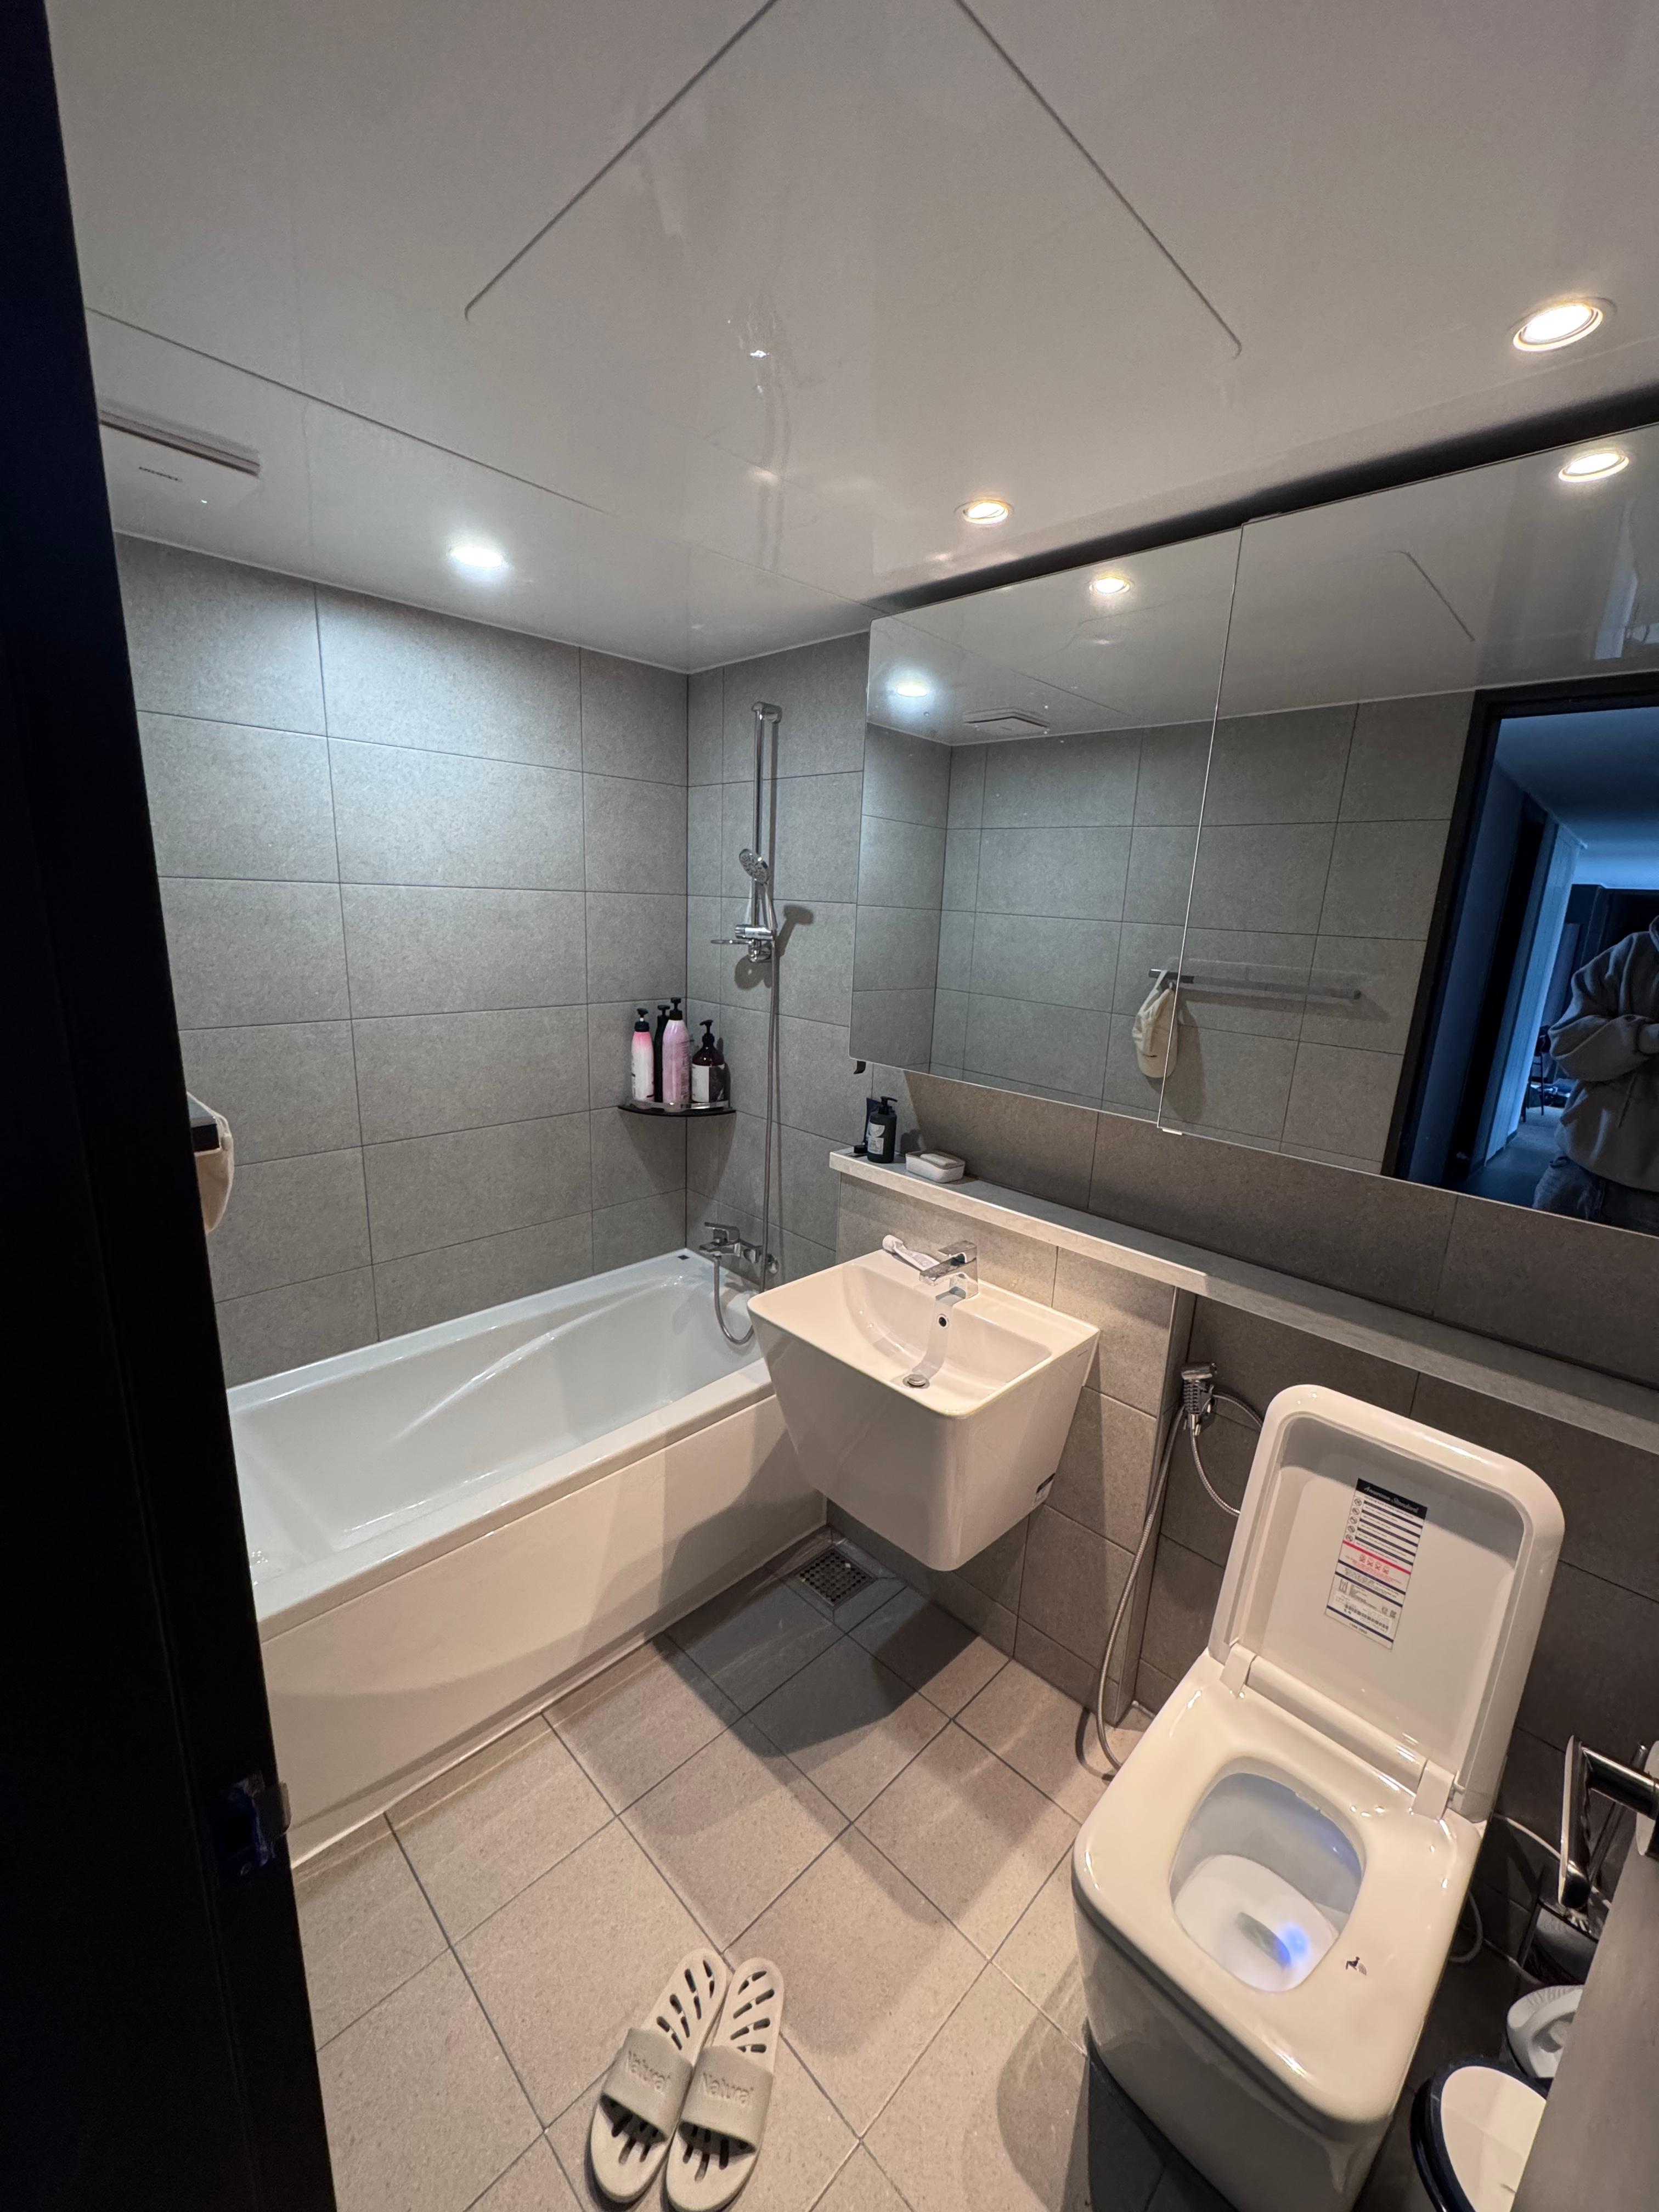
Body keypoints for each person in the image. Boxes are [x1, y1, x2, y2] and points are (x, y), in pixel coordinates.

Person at [1533, 916, 1659, 1233]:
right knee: (1526, 1261)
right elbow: (1566, 1047)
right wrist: (1646, 1037)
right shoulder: (1634, 952)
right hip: (1574, 1168)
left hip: (1652, 1198)